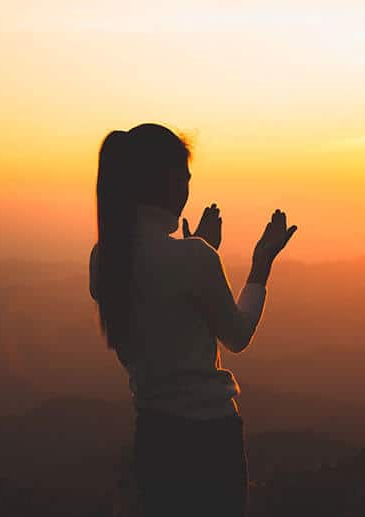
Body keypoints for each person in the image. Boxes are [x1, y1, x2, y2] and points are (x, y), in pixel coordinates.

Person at [88, 123, 297, 516]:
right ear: (167, 181)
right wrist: (260, 266)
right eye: (184, 178)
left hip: (153, 436)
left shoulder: (105, 260)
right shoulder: (194, 259)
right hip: (210, 439)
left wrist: (195, 251)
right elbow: (236, 336)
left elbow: (161, 307)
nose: (187, 188)